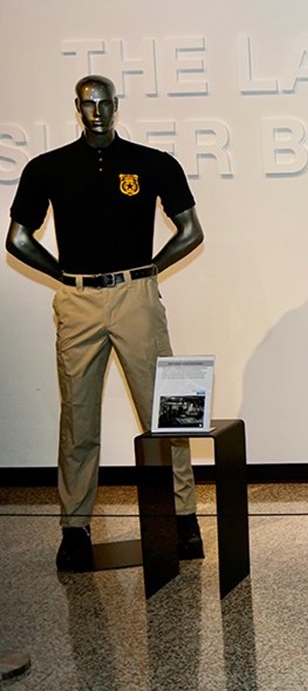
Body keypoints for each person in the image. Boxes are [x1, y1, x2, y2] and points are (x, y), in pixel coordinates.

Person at [6, 75, 205, 572]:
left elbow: (191, 231)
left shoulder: (153, 164)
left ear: (117, 106)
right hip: (78, 301)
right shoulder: (47, 168)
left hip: (135, 295)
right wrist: (65, 278)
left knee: (167, 410)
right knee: (78, 418)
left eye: (104, 102)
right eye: (87, 103)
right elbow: (18, 239)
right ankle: (75, 527)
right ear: (76, 107)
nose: (96, 110)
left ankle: (184, 518)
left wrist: (149, 271)